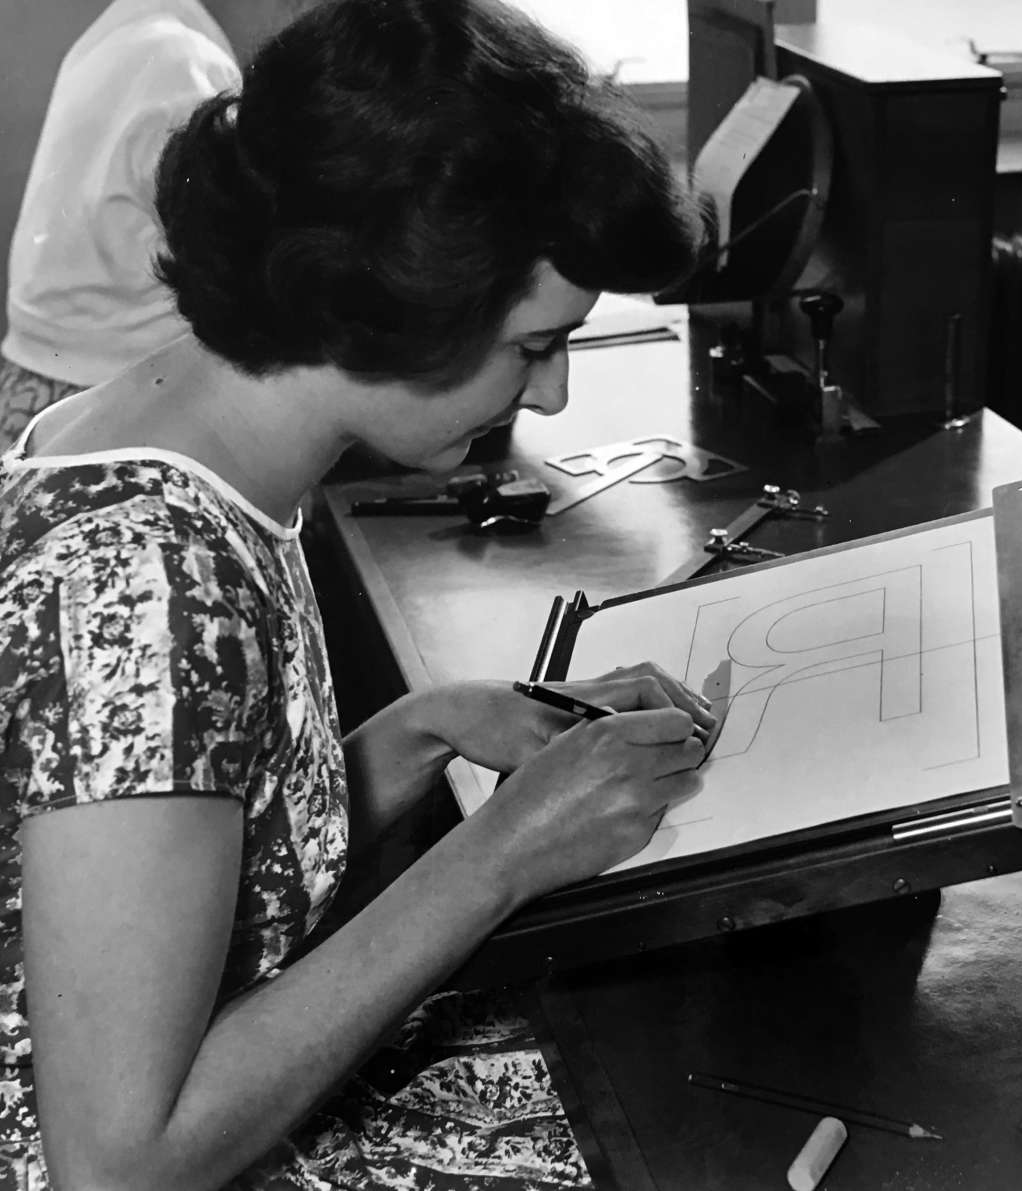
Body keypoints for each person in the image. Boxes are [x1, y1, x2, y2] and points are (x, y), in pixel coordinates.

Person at [0, 0, 711, 1187]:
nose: (552, 400)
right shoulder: (148, 598)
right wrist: (498, 860)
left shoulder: (158, 428)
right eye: (535, 345)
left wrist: (422, 731)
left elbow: (193, 848)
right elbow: (116, 1164)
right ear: (390, 304)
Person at [0, 0, 302, 449]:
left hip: (33, 390)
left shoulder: (130, 26)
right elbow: (247, 270)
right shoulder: (187, 64)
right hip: (109, 399)